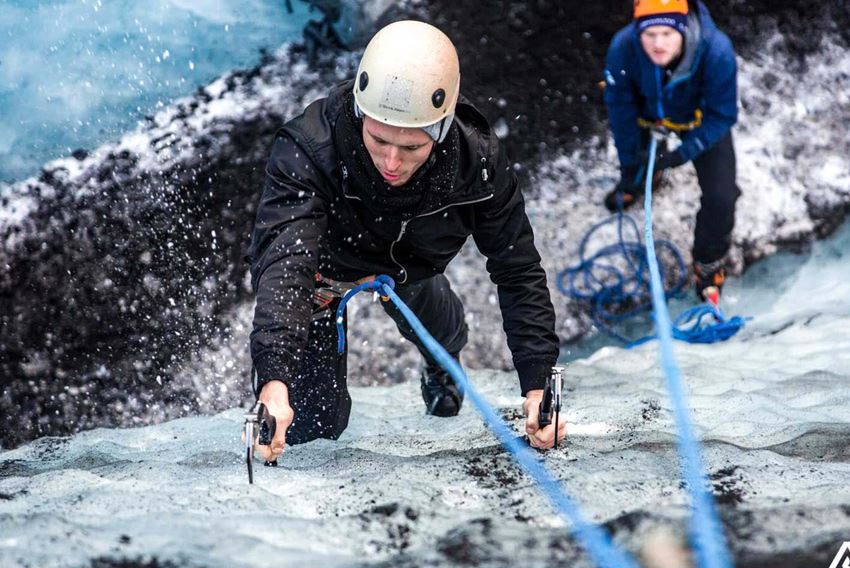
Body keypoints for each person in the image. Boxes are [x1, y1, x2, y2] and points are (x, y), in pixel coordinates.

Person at [247, 20, 566, 460]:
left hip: (411, 265)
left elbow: (517, 269)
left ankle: (442, 365)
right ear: (361, 113)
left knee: (445, 333)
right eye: (378, 139)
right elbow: (284, 262)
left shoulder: (479, 162)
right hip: (323, 271)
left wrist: (538, 385)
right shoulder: (308, 148)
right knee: (310, 430)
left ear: (440, 130)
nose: (392, 163)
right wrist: (273, 380)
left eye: (411, 148)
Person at [603, 0, 740, 301]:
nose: (658, 44)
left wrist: (683, 153)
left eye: (667, 33)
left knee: (722, 197)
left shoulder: (716, 51)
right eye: (649, 34)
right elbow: (620, 109)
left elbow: (723, 115)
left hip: (700, 119)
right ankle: (640, 182)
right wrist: (631, 164)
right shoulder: (623, 48)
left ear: (683, 29)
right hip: (649, 113)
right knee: (636, 163)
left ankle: (708, 264)